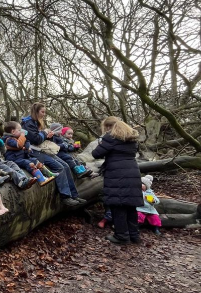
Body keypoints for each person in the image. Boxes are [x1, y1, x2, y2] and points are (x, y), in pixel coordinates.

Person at [21, 103, 86, 207]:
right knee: (60, 167)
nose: (44, 114)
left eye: (45, 112)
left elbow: (42, 137)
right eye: (42, 112)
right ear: (36, 111)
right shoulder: (28, 123)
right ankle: (65, 197)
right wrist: (45, 133)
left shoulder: (36, 122)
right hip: (34, 151)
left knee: (66, 165)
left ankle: (74, 195)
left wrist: (49, 135)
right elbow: (36, 139)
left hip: (43, 149)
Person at [92, 116, 144, 245]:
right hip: (133, 172)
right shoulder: (131, 138)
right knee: (131, 206)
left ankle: (122, 236)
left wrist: (102, 142)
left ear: (109, 127)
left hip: (117, 174)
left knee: (118, 205)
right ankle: (134, 235)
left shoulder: (110, 138)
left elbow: (96, 154)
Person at [0, 119, 37, 190]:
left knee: (12, 164)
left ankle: (25, 179)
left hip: (1, 161)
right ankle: (20, 183)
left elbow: (3, 152)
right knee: (9, 169)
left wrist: (1, 145)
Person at [1, 121, 55, 186]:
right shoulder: (8, 139)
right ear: (13, 132)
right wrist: (22, 136)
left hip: (21, 157)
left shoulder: (17, 138)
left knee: (35, 160)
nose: (21, 131)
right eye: (19, 130)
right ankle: (41, 179)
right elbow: (19, 145)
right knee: (29, 164)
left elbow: (25, 142)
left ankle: (49, 174)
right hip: (14, 159)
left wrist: (27, 147)